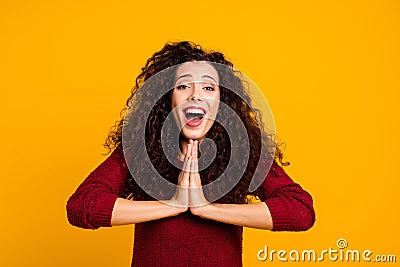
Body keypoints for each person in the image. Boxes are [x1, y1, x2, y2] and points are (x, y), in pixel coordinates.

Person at [66, 41, 315, 267]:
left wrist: (205, 208)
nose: (196, 95)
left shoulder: (244, 152)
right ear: (167, 99)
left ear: (222, 101)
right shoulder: (138, 150)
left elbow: (300, 212)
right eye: (183, 86)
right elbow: (81, 207)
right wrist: (173, 204)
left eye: (208, 87)